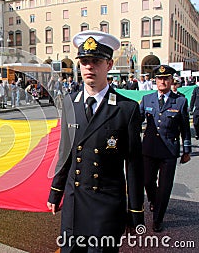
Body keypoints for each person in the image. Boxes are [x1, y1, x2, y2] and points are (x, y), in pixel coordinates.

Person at [47, 30, 144, 252]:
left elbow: (134, 164)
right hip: (74, 201)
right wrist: (56, 190)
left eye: (96, 61)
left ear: (109, 65)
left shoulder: (126, 109)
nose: (90, 67)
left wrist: (136, 210)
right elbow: (65, 152)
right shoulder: (70, 103)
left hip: (106, 205)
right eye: (84, 61)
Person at [140, 65, 191, 232]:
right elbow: (136, 121)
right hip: (148, 149)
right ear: (155, 81)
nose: (163, 81)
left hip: (169, 151)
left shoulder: (181, 101)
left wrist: (187, 151)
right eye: (160, 78)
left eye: (166, 78)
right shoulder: (147, 99)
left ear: (171, 80)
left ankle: (158, 219)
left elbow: (185, 128)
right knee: (147, 181)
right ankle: (154, 201)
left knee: (165, 186)